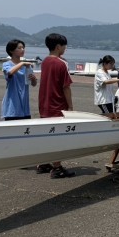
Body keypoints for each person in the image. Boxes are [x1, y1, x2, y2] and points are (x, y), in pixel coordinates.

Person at [37, 33, 76, 178]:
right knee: (58, 137)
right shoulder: (61, 63)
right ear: (58, 46)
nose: (65, 49)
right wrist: (70, 106)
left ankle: (43, 163)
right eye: (64, 46)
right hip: (57, 105)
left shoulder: (45, 62)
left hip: (45, 104)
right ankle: (57, 167)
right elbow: (66, 87)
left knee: (46, 135)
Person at [1, 39, 37, 120]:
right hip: (12, 104)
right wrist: (22, 63)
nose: (22, 50)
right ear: (11, 50)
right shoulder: (7, 64)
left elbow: (33, 84)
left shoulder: (26, 66)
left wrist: (33, 79)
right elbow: (10, 72)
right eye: (19, 48)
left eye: (23, 47)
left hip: (25, 105)